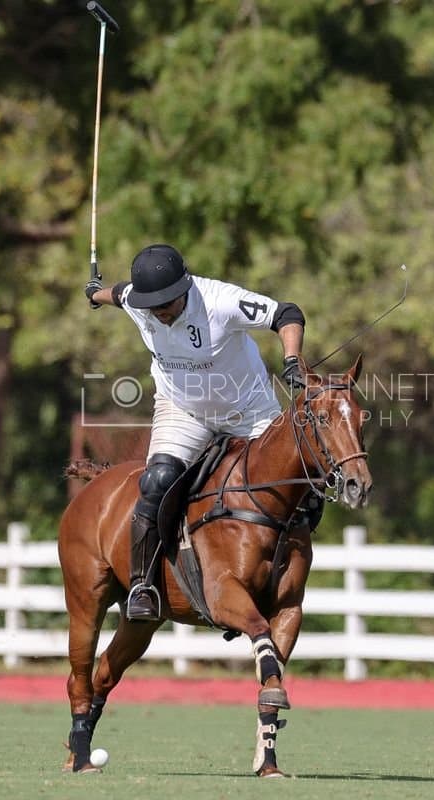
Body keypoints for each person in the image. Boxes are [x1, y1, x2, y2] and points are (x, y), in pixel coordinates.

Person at [84, 243, 307, 621]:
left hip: (249, 410)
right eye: (152, 304)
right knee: (156, 481)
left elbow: (287, 313)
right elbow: (116, 293)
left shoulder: (220, 301)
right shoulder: (139, 303)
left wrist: (290, 360)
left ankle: (281, 580)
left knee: (297, 479)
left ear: (185, 288)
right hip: (183, 410)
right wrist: (93, 293)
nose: (159, 311)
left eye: (167, 302)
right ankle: (143, 585)